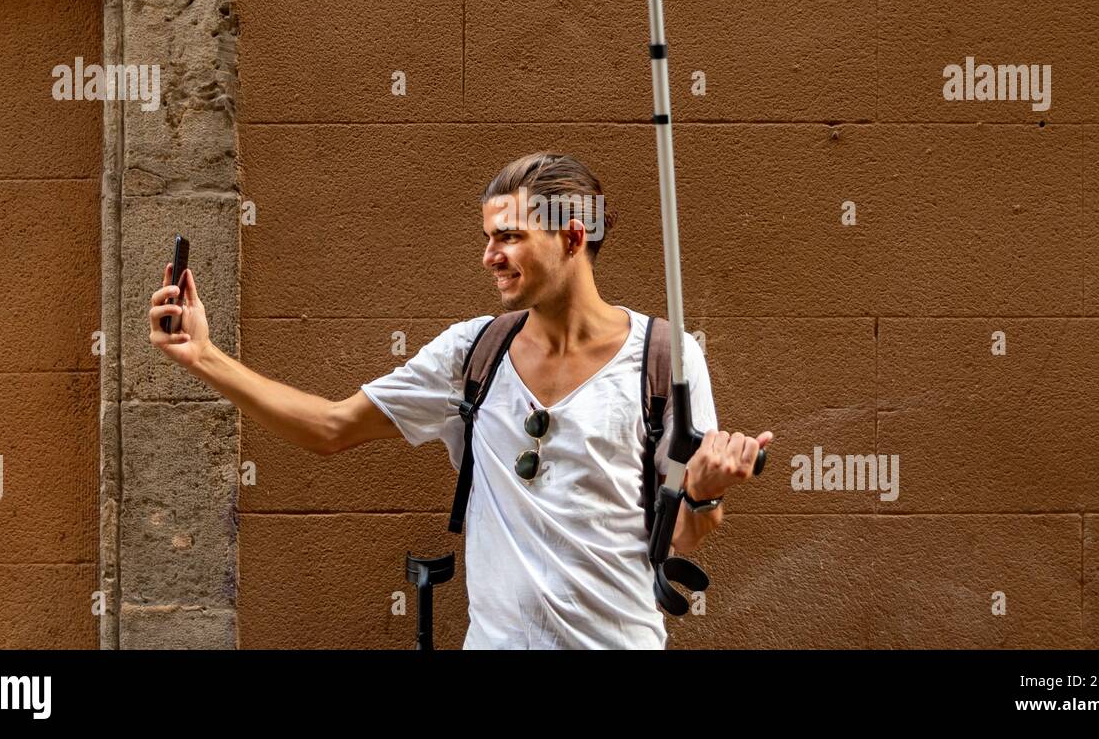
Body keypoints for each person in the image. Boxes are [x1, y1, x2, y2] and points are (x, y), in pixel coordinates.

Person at [149, 151, 772, 649]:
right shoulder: (470, 353)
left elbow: (685, 538)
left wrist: (704, 488)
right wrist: (204, 357)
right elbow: (330, 427)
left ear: (573, 237)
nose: (489, 257)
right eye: (486, 237)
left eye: (508, 237)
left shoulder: (668, 358)